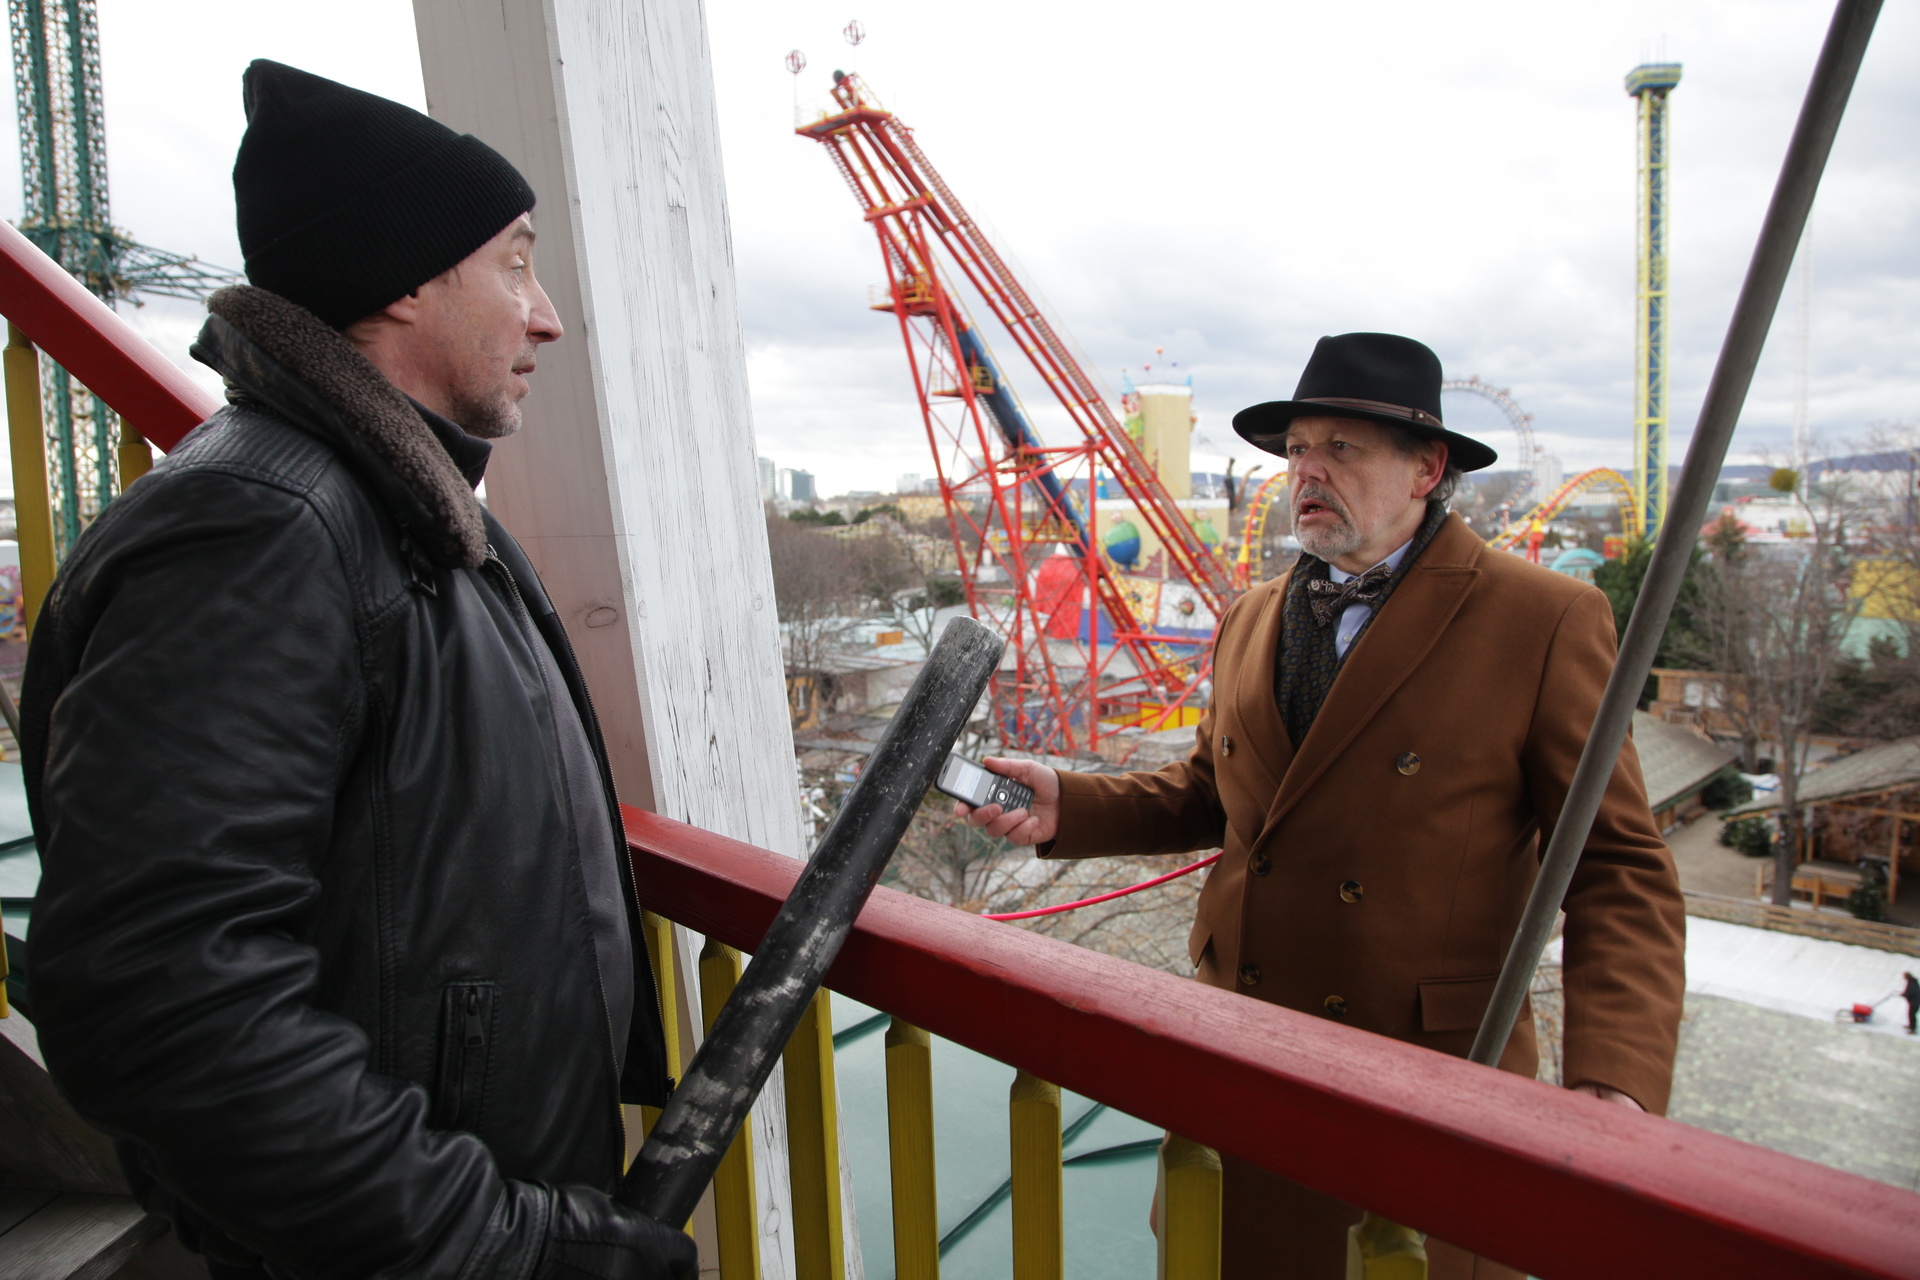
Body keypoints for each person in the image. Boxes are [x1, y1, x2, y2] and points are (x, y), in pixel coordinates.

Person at [20, 62, 695, 1280]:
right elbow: (158, 999)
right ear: (403, 281)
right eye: (514, 262)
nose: (546, 314)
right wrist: (499, 1241)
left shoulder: (391, 508)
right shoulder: (265, 530)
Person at [961, 333, 1687, 1280]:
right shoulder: (1253, 615)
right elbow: (1218, 795)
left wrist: (1612, 1083)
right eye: (1299, 449)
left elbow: (1617, 864)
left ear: (1428, 468)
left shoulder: (1542, 621)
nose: (1309, 471)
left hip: (1424, 1089)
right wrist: (1074, 808)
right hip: (1239, 1071)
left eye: (1341, 448)